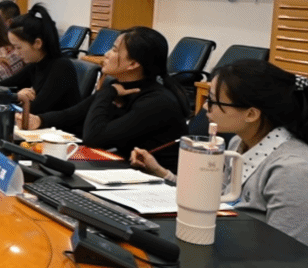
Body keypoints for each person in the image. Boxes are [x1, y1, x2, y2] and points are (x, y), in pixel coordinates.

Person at [131, 60, 308, 268]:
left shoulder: (296, 170)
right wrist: (162, 173)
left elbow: (284, 255)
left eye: (213, 101)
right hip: (244, 253)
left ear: (251, 114)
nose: (205, 108)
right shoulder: (239, 143)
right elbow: (216, 197)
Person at [23, 26, 188, 169]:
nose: (107, 54)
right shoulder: (119, 86)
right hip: (120, 166)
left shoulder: (156, 101)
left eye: (115, 50)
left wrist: (106, 93)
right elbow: (75, 114)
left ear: (133, 64)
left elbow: (93, 138)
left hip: (155, 181)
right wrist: (40, 120)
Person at [0, 4, 80, 115]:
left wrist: (17, 97)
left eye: (18, 47)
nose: (15, 53)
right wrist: (18, 95)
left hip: (57, 126)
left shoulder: (62, 67)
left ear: (37, 43)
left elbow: (35, 109)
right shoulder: (35, 65)